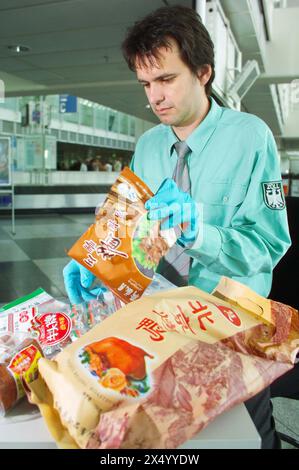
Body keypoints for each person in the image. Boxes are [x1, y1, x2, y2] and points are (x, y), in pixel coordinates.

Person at [63, 5, 298, 448]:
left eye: (166, 79)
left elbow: (270, 244)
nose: (155, 97)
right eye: (146, 84)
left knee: (244, 437)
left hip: (230, 325)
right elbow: (124, 225)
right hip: (160, 318)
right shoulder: (149, 145)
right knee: (170, 434)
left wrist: (199, 234)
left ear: (203, 71)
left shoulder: (251, 137)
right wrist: (95, 258)